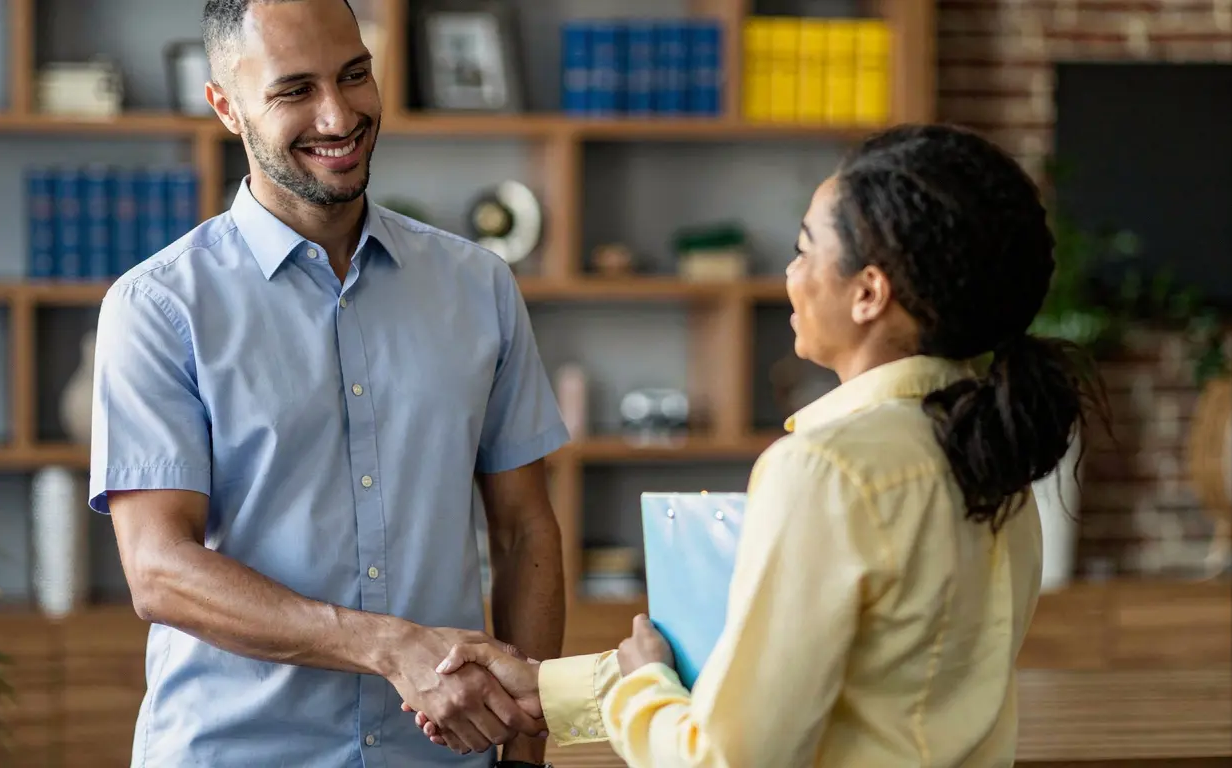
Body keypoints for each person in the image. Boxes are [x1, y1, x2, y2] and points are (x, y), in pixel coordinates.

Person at [404, 123, 1109, 766]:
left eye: (805, 249)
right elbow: (845, 688)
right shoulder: (993, 451)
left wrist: (639, 686)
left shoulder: (827, 469)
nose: (789, 275)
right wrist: (544, 688)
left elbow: (730, 758)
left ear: (868, 293)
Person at [88, 0, 568, 765]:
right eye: (294, 90)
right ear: (226, 107)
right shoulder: (158, 308)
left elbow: (524, 530)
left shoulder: (478, 285)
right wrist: (388, 647)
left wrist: (527, 747)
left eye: (354, 76)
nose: (338, 115)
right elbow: (158, 571)